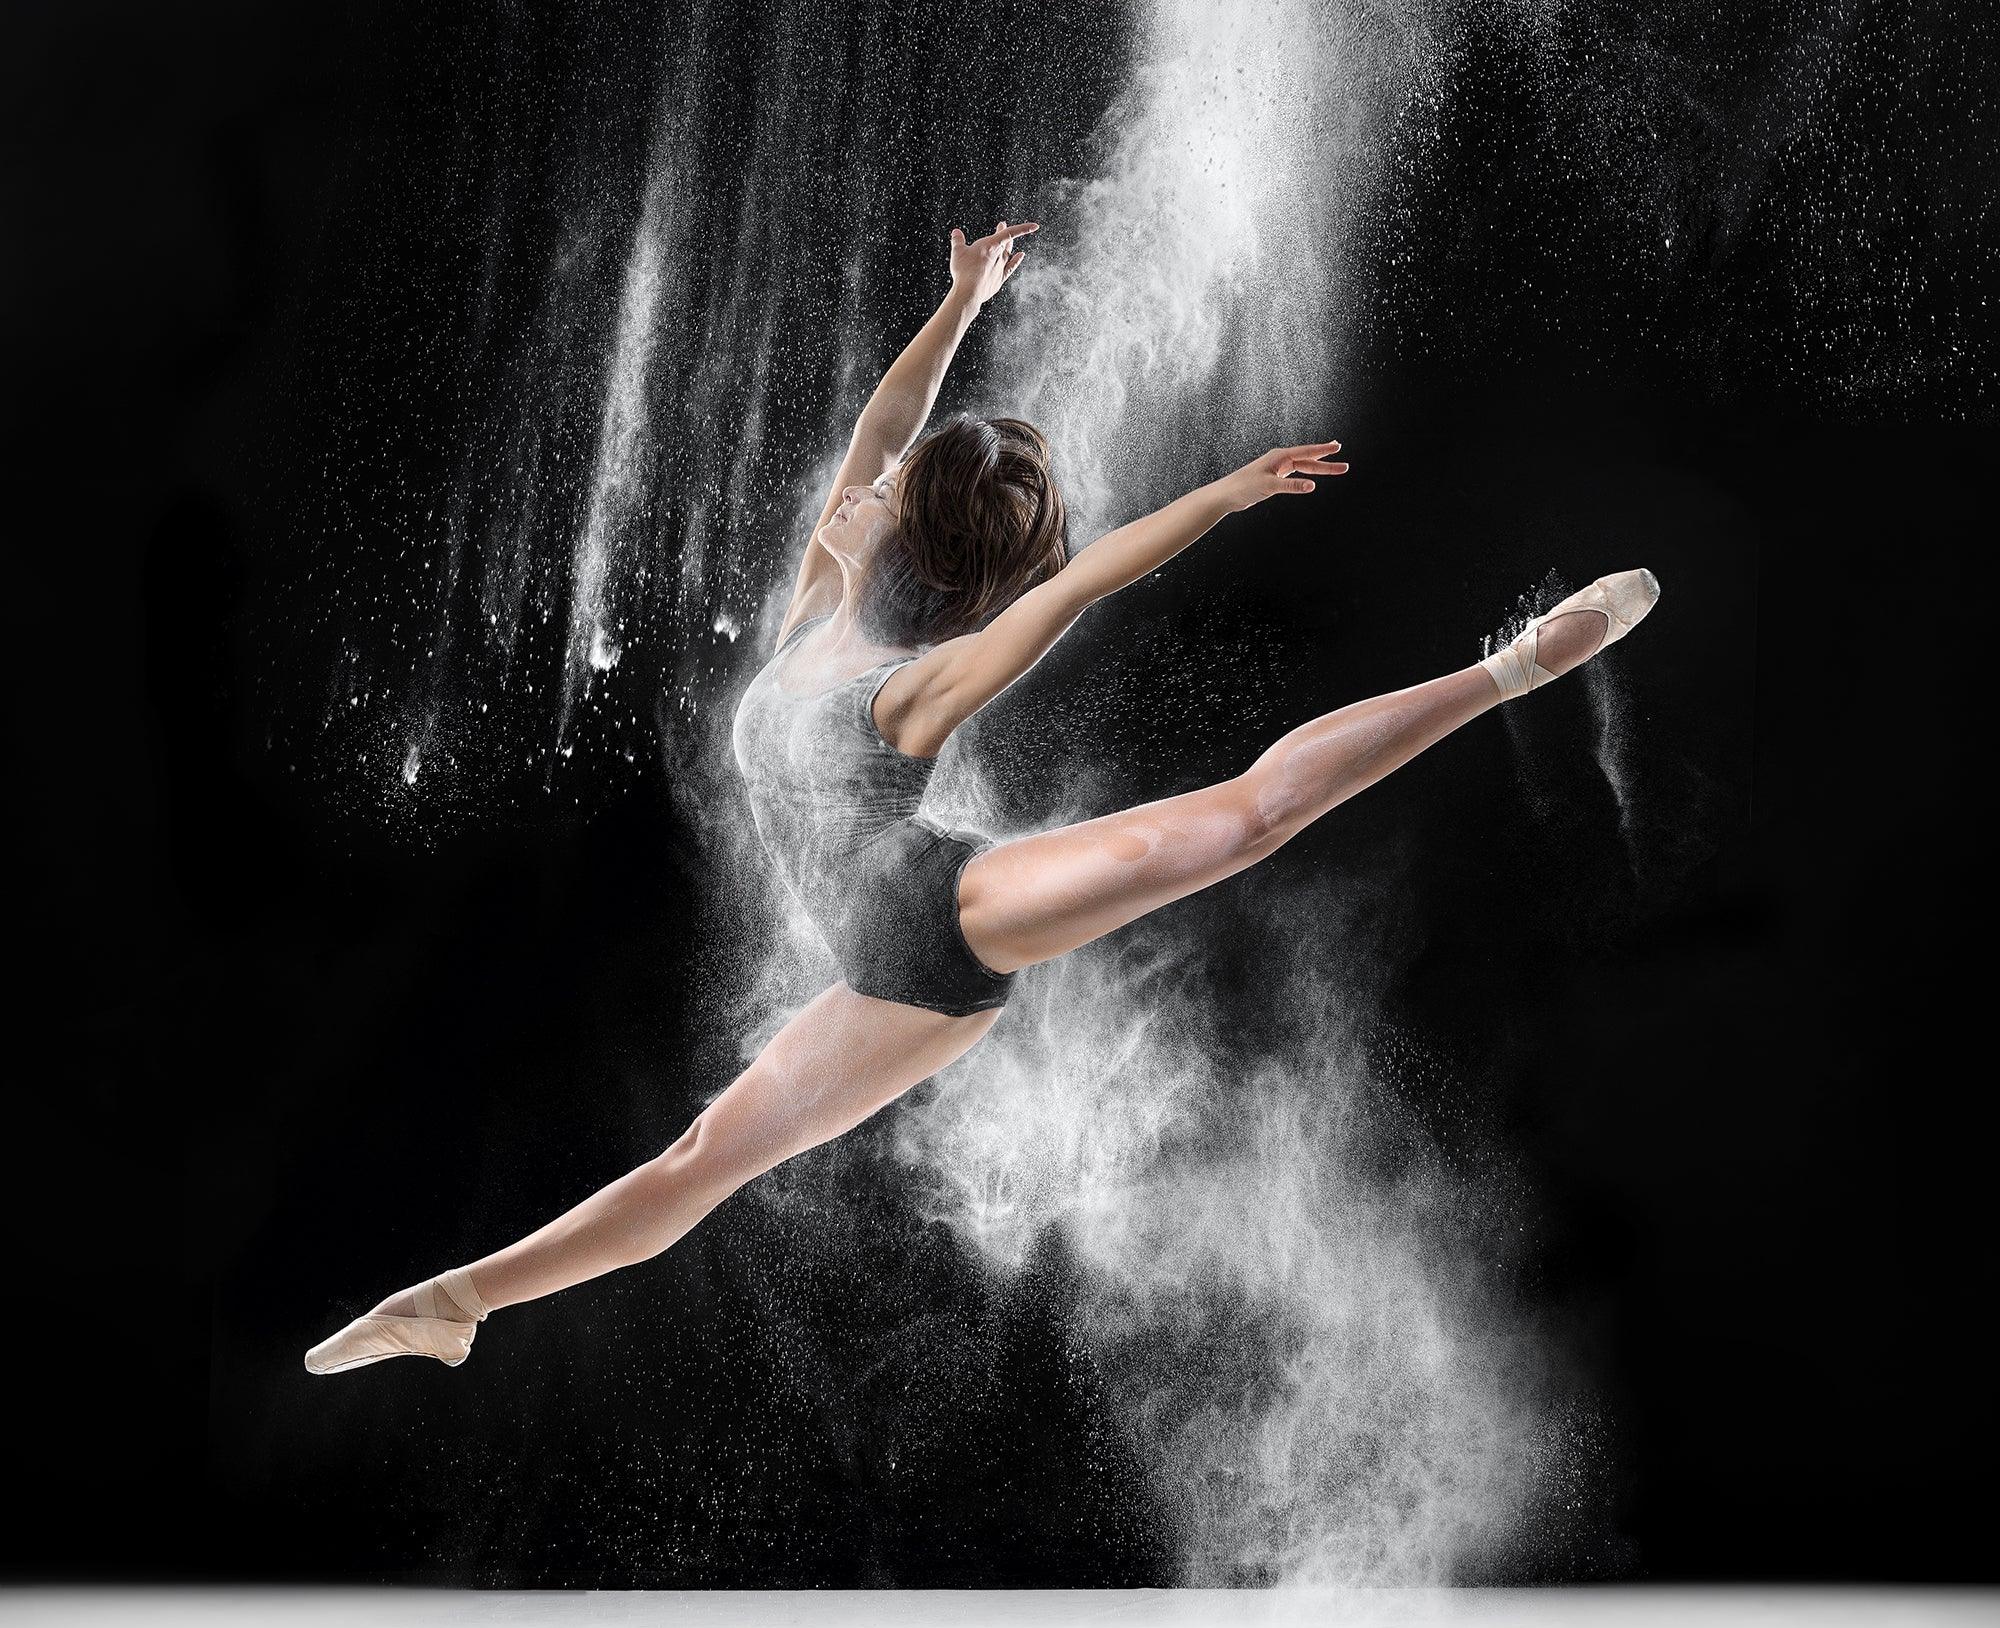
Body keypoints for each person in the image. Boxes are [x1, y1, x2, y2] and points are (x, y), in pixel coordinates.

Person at [307, 219, 1657, 1374]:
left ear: (903, 537)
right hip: (876, 979)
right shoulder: (817, 606)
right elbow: (889, 424)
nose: (861, 480)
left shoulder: (909, 685)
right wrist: (958, 304)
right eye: (877, 481)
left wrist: (1222, 497)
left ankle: (1510, 667)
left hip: (939, 915)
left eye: (882, 491)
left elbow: (1075, 584)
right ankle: (455, 1303)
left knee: (1241, 821)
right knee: (693, 1168)